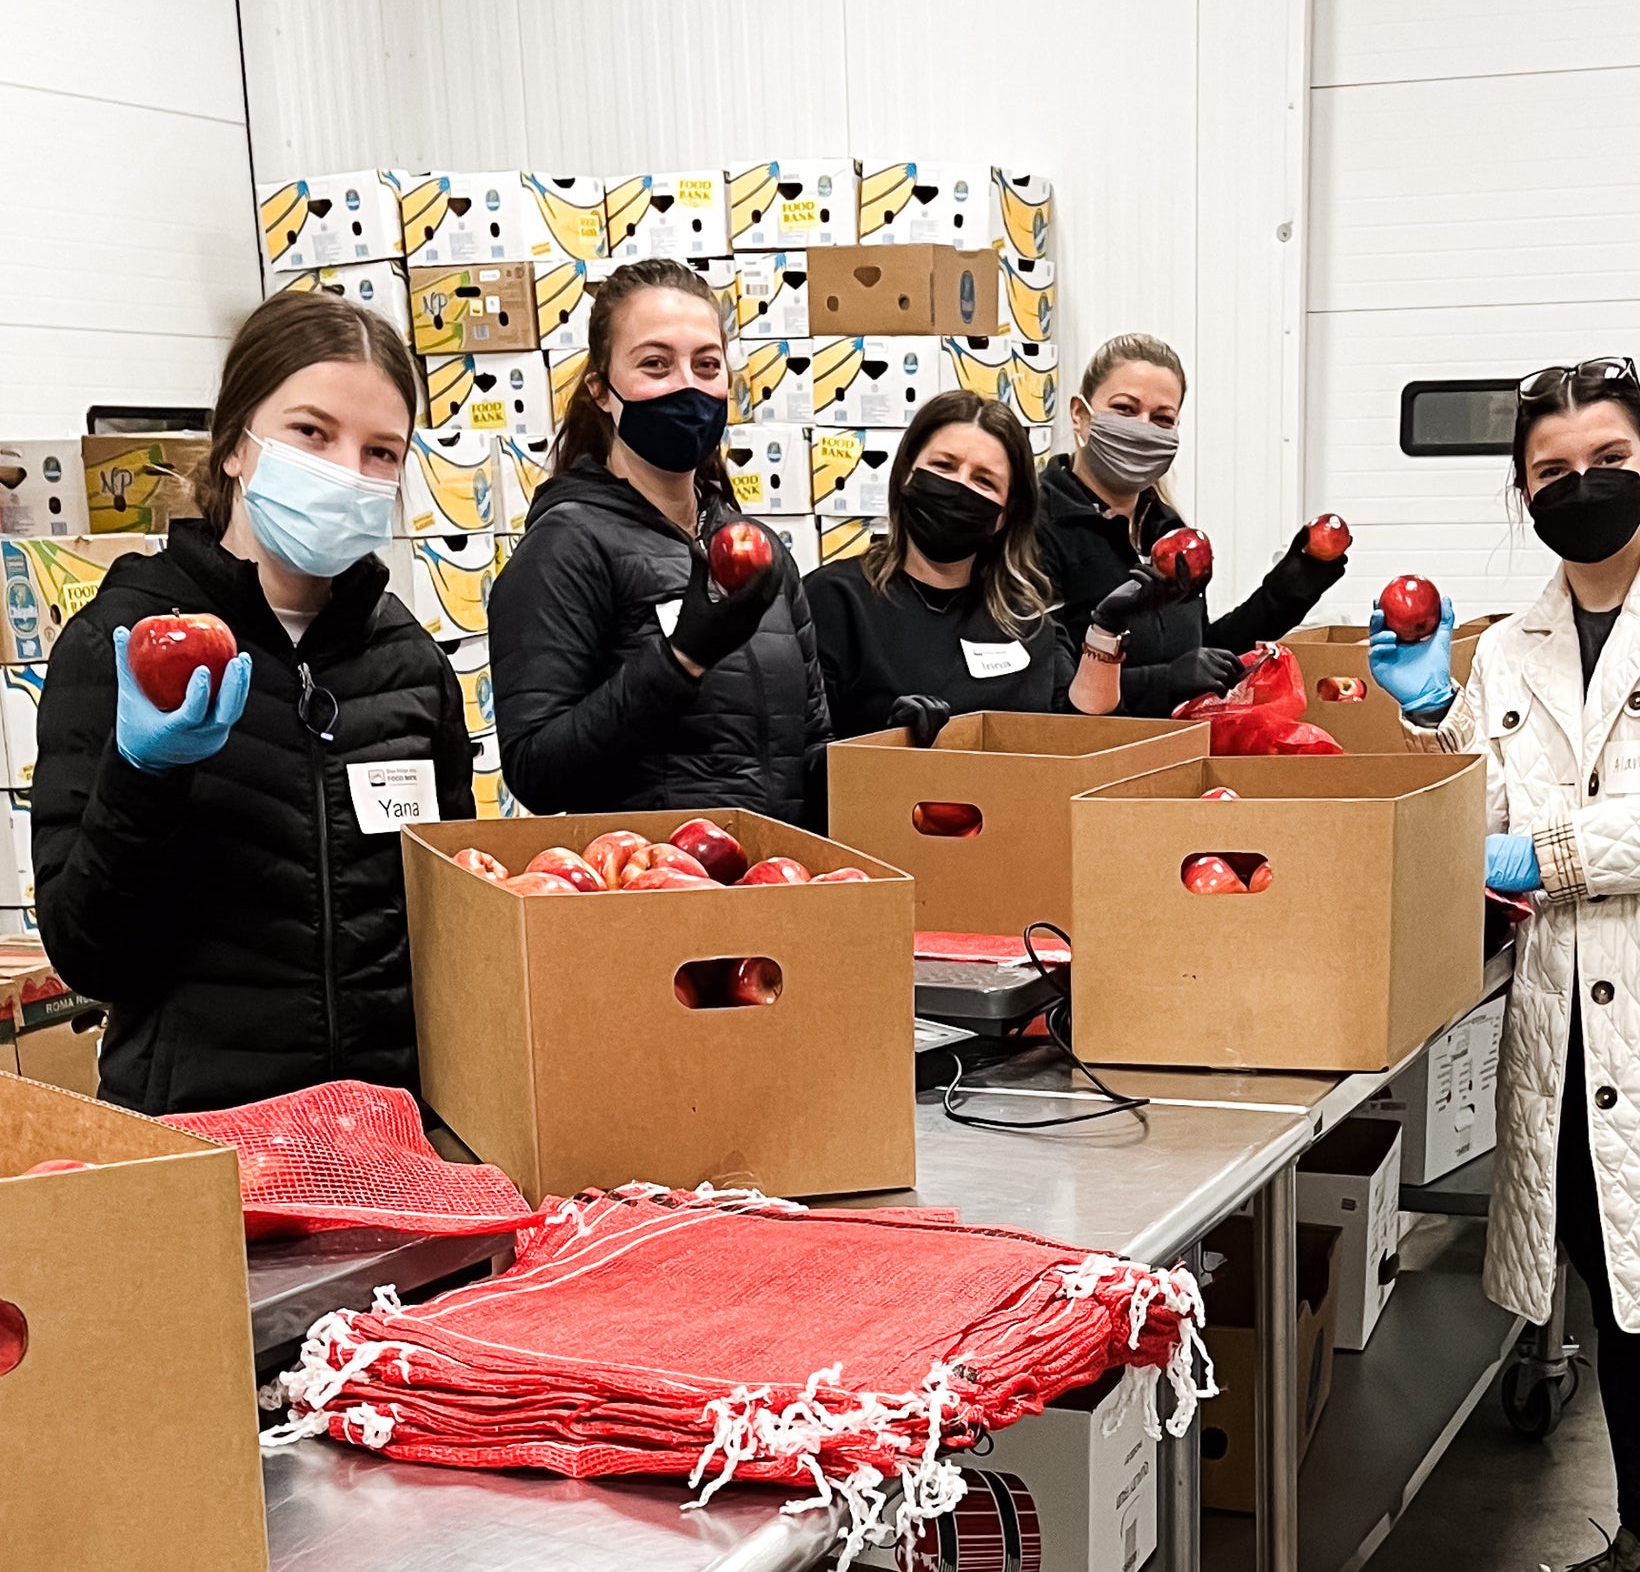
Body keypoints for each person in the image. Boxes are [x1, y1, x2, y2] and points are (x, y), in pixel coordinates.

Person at [1368, 356, 1640, 1572]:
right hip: (1567, 1032)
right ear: (1521, 490)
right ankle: (1638, 1540)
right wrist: (1432, 718)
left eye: (1607, 460)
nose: (1580, 484)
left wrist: (1548, 856)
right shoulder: (1511, 643)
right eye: (1550, 470)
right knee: (1613, 1284)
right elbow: (1478, 813)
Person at [33, 289, 475, 1115]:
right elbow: (91, 956)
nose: (347, 471)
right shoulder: (120, 646)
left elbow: (454, 930)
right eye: (312, 432)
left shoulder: (409, 664)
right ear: (236, 443)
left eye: (381, 451)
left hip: (391, 1136)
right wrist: (142, 780)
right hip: (208, 1135)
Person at [489, 259, 827, 820]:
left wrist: (890, 751)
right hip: (651, 872)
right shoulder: (566, 546)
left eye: (707, 364)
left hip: (774, 870)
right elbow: (536, 771)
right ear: (601, 390)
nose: (687, 385)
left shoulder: (761, 549)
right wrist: (680, 660)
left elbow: (806, 743)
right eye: (656, 364)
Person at [806, 390, 1173, 741]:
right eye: (943, 465)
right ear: (906, 474)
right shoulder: (835, 602)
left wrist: (1105, 631)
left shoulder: (1028, 625)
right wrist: (885, 742)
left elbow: (1080, 736)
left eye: (984, 481)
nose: (959, 486)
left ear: (1004, 515)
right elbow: (803, 752)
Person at [1038, 333, 1347, 718]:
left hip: (1179, 744)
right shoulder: (1038, 526)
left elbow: (1202, 654)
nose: (1143, 429)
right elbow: (1054, 697)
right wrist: (1167, 680)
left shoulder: (1166, 528)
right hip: (1100, 752)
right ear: (1080, 415)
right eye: (1124, 409)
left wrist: (1286, 591)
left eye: (1162, 419)